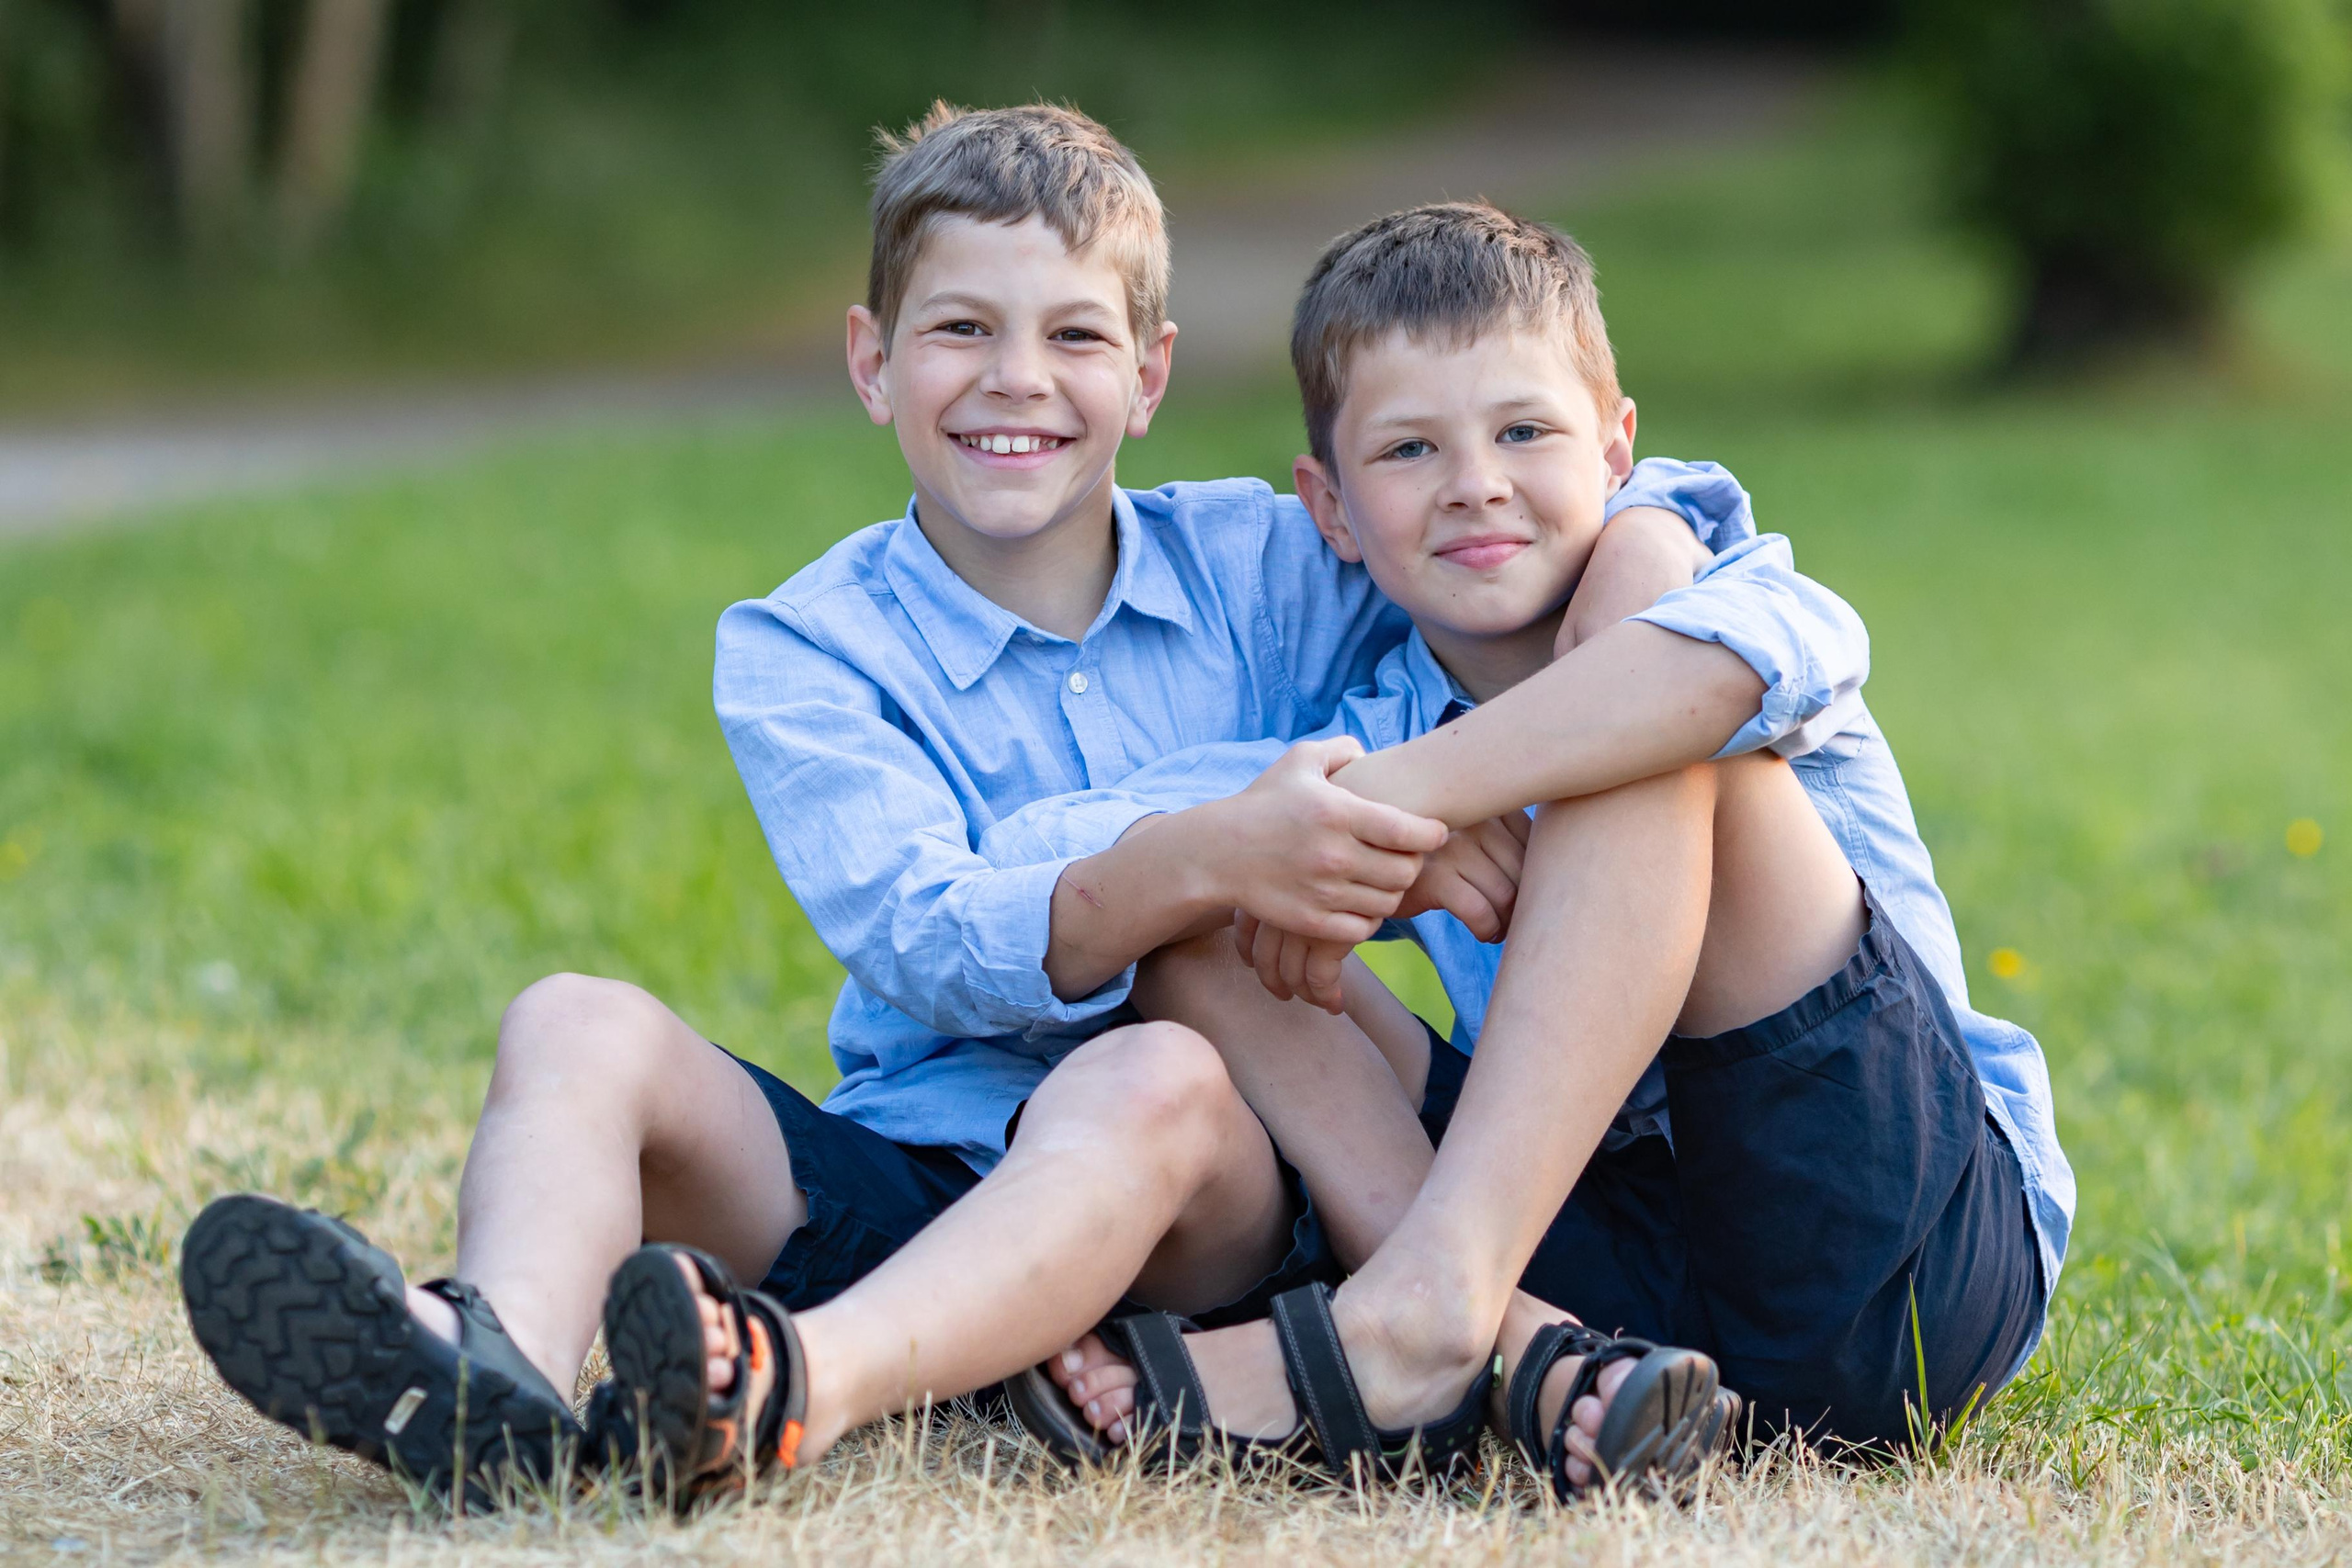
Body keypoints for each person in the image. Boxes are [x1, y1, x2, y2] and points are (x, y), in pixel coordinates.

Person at [176, 108, 1871, 1506]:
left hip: (1200, 1179)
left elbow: (1508, 523)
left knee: (1152, 1054)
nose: (1016, 381)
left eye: (1072, 336)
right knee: (573, 1017)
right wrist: (1219, 845)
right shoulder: (803, 648)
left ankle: (796, 1388)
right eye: (959, 332)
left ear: (1149, 374)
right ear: (871, 361)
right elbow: (926, 938)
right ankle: (496, 1373)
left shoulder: (1278, 560)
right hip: (923, 1165)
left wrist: (1616, 579)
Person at [1001, 204, 2072, 1496]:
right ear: (1330, 507)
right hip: (1617, 1300)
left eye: (1524, 432)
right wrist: (1288, 849)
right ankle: (1501, 1340)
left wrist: (1401, 800)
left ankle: (1429, 1302)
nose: (1476, 483)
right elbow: (1062, 859)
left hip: (1895, 1261)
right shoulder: (1372, 725)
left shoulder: (1713, 581)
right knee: (1204, 911)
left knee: (1644, 733)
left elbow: (1708, 675)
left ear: (1616, 449)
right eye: (1410, 449)